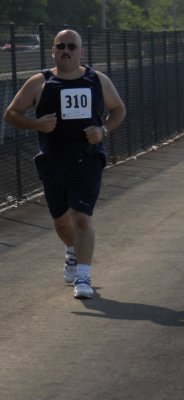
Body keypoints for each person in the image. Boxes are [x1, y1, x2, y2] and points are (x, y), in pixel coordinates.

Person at [4, 29, 126, 298]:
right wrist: (34, 124)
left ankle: (83, 278)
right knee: (62, 223)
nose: (66, 50)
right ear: (53, 50)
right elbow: (11, 113)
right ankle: (71, 251)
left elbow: (118, 110)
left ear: (81, 51)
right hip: (53, 162)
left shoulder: (97, 80)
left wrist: (102, 130)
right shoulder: (40, 82)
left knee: (82, 218)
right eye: (61, 46)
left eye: (72, 46)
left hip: (87, 160)